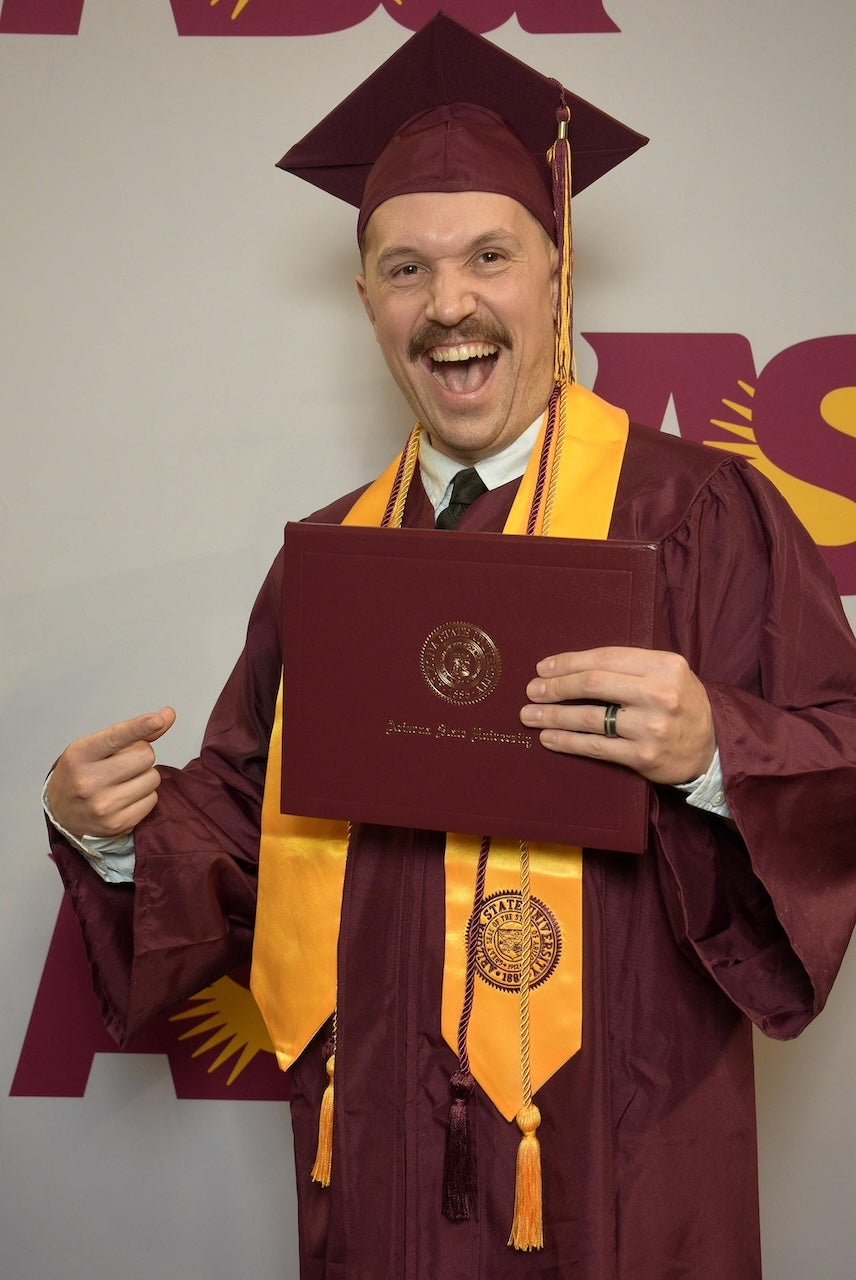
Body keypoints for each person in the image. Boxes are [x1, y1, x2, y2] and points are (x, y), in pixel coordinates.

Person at [44, 14, 856, 1280]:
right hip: (374, 1134)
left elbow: (839, 751)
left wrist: (715, 749)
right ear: (366, 297)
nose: (451, 303)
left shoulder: (698, 515)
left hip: (622, 1127)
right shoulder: (327, 556)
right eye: (406, 268)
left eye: (489, 254)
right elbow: (247, 818)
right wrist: (109, 826)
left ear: (556, 269)